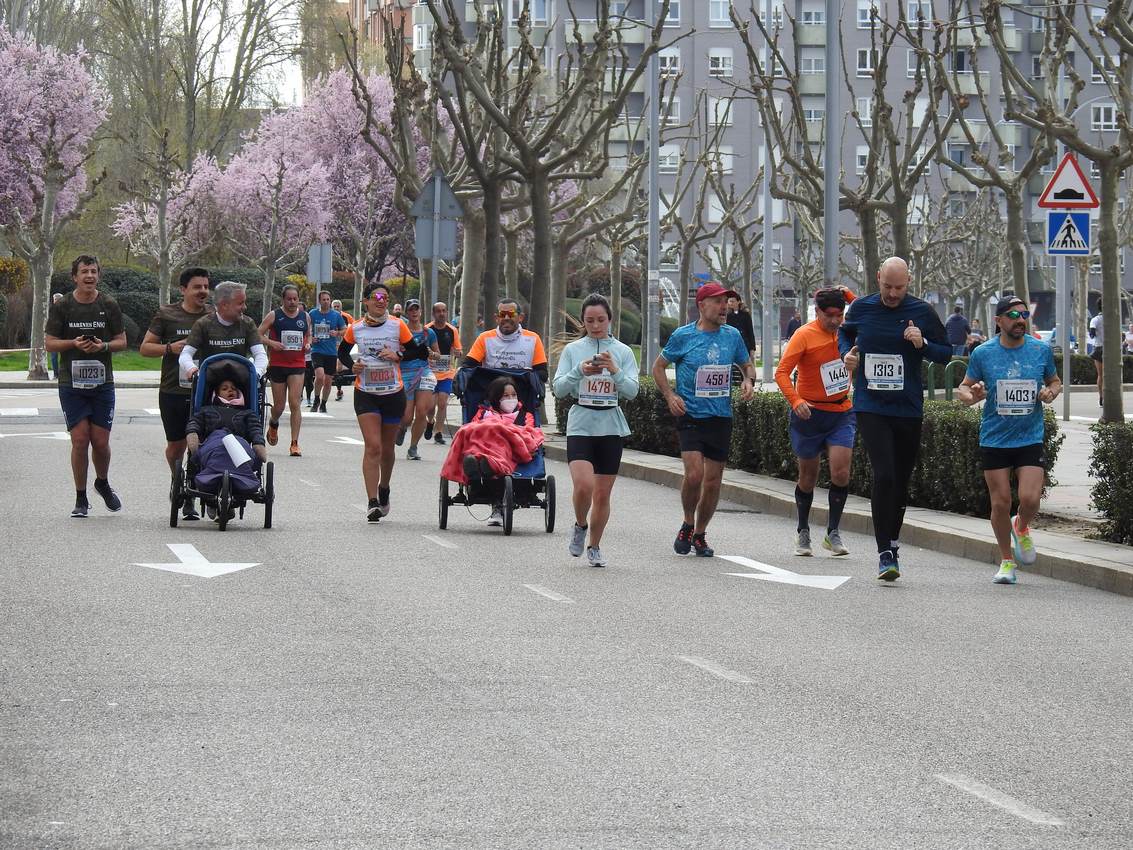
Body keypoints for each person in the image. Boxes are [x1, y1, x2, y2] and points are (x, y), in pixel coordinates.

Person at [840, 256, 951, 581]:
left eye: (899, 287)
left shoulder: (922, 312)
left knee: (901, 481)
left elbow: (946, 352)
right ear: (878, 279)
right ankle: (884, 553)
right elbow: (845, 335)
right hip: (871, 405)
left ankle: (893, 542)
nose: (892, 293)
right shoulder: (861, 308)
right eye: (887, 286)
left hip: (907, 408)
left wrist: (923, 343)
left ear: (909, 282)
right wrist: (845, 355)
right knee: (884, 475)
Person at [956, 297, 1061, 585]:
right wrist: (971, 396)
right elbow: (964, 388)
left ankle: (1022, 525)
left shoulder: (1040, 350)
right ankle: (1006, 561)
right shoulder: (983, 353)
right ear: (998, 320)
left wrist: (1051, 393)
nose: (1020, 319)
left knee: (1030, 499)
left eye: (1024, 314)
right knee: (1000, 503)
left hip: (1029, 436)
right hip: (995, 438)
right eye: (1013, 314)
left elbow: (1055, 381)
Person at [651, 281, 757, 557]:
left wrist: (749, 381)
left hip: (720, 416)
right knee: (695, 474)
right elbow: (658, 367)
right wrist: (670, 396)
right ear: (702, 305)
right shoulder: (683, 336)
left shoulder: (732, 335)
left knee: (713, 481)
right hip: (690, 414)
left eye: (727, 302)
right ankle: (687, 521)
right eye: (719, 302)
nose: (725, 307)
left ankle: (700, 533)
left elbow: (747, 364)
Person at [552, 293, 640, 567]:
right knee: (584, 485)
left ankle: (594, 545)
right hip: (581, 423)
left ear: (610, 319)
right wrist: (579, 371)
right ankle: (580, 524)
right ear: (584, 321)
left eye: (601, 320)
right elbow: (558, 388)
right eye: (589, 320)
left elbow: (632, 391)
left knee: (602, 493)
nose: (596, 325)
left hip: (610, 425)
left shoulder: (623, 352)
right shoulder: (574, 350)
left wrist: (614, 370)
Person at [774, 286, 857, 558]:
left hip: (841, 412)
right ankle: (803, 531)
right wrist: (796, 402)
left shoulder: (847, 331)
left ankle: (833, 532)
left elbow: (865, 312)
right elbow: (782, 373)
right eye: (829, 315)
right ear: (818, 312)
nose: (835, 320)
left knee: (841, 472)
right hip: (809, 414)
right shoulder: (804, 335)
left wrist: (850, 296)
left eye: (840, 314)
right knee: (808, 477)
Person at [45, 255, 127, 518]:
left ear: (98, 276)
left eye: (93, 271)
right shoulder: (63, 306)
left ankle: (101, 482)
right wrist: (74, 344)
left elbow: (121, 341)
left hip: (103, 383)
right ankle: (81, 498)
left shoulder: (109, 304)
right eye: (84, 272)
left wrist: (102, 346)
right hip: (71, 382)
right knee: (80, 440)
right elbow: (50, 343)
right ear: (75, 277)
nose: (89, 276)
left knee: (100, 442)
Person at [462, 298, 549, 524]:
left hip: (521, 402)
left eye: (511, 314)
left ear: (520, 317)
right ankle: (491, 492)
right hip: (493, 401)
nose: (507, 319)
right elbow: (468, 367)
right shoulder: (485, 339)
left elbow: (542, 374)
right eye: (502, 314)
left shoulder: (532, 340)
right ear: (496, 317)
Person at [139, 266, 213, 521]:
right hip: (173, 389)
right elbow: (145, 348)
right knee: (176, 446)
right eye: (197, 287)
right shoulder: (167, 314)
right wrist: (171, 348)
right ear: (183, 289)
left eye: (205, 286)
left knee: (201, 444)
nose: (203, 291)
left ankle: (195, 492)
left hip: (205, 391)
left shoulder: (214, 316)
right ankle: (177, 479)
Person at [337, 281, 413, 521]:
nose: (381, 301)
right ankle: (372, 502)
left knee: (388, 448)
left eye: (385, 298)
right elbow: (342, 352)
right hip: (366, 393)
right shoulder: (356, 328)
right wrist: (352, 365)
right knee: (373, 446)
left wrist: (398, 354)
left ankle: (384, 487)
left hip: (393, 393)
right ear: (366, 302)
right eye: (376, 297)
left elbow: (416, 351)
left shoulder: (398, 325)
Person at [186, 377, 269, 520]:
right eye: (224, 388)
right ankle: (212, 498)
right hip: (214, 444)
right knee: (213, 447)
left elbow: (255, 430)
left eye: (233, 388)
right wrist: (192, 434)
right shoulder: (207, 410)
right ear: (216, 394)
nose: (230, 390)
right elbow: (195, 423)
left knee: (239, 449)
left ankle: (231, 497)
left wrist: (258, 443)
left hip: (239, 445)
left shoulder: (247, 413)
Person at [440, 375, 545, 487]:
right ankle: (477, 464)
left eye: (514, 395)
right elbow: (473, 428)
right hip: (483, 445)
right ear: (496, 398)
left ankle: (491, 464)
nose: (511, 399)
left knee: (499, 438)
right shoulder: (484, 413)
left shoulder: (524, 415)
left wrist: (504, 429)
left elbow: (528, 432)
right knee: (474, 434)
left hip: (509, 447)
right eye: (506, 396)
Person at [258, 285, 311, 457]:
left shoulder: (305, 316)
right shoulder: (275, 315)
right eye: (289, 299)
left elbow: (308, 334)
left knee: (295, 403)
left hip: (297, 364)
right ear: (283, 299)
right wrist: (272, 344)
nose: (292, 302)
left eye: (295, 299)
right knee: (279, 406)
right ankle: (274, 423)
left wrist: (308, 343)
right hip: (278, 365)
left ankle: (294, 443)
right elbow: (257, 334)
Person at [179, 281, 269, 380]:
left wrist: (256, 373)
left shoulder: (247, 323)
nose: (245, 307)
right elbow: (185, 354)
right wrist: (192, 369)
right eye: (240, 303)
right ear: (224, 305)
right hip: (210, 381)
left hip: (240, 381)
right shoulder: (203, 324)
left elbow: (260, 354)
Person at [394, 299, 441, 460]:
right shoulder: (401, 331)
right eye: (411, 310)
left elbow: (438, 354)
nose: (414, 312)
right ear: (407, 312)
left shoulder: (429, 333)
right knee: (407, 417)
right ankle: (402, 427)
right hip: (405, 373)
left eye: (417, 309)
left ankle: (413, 448)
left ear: (421, 311)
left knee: (422, 411)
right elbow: (394, 353)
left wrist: (431, 353)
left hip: (424, 371)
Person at [425, 301, 462, 446]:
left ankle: (438, 432)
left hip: (446, 371)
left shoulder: (452, 330)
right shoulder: (427, 329)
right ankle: (430, 421)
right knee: (430, 406)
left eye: (444, 311)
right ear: (434, 313)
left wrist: (458, 353)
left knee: (442, 403)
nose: (442, 313)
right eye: (438, 311)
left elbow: (458, 349)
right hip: (430, 372)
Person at [308, 290, 347, 413]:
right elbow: (306, 329)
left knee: (328, 380)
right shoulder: (313, 314)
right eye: (323, 299)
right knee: (319, 376)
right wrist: (310, 339)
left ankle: (324, 403)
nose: (326, 301)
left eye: (327, 299)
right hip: (317, 350)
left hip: (331, 352)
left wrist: (337, 333)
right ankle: (316, 399)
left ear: (330, 300)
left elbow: (345, 330)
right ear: (319, 301)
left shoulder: (336, 315)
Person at [726, 294, 757, 383]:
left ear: (738, 302)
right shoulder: (727, 315)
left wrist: (752, 348)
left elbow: (750, 332)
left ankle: (748, 382)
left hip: (745, 344)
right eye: (729, 301)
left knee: (746, 365)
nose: (730, 303)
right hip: (731, 345)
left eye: (732, 301)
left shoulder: (745, 315)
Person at [331, 299, 354, 400]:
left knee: (339, 367)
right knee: (334, 369)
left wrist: (341, 333)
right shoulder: (329, 315)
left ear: (341, 307)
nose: (336, 308)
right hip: (330, 345)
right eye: (334, 306)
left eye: (338, 306)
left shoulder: (347, 317)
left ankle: (339, 390)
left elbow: (353, 328)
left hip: (342, 344)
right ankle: (338, 388)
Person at [1089, 310, 1104, 407]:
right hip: (1111, 348)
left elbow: (1092, 334)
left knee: (1100, 375)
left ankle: (1101, 396)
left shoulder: (1095, 319)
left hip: (1099, 348)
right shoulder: (1113, 319)